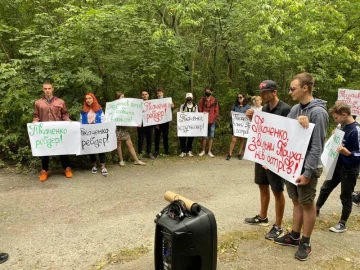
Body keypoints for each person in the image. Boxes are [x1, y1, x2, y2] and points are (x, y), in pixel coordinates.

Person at [274, 72, 329, 261]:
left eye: (292, 88)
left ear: (305, 88)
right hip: (292, 165)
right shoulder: (295, 109)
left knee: (307, 203)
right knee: (296, 201)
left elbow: (317, 147)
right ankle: (295, 236)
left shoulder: (318, 113)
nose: (289, 92)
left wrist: (307, 172)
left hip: (307, 168)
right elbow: (284, 133)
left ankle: (306, 242)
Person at [244, 80, 291, 241]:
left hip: (276, 159)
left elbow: (289, 136)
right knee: (262, 185)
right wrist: (252, 120)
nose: (262, 95)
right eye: (261, 92)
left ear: (274, 92)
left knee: (277, 190)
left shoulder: (285, 109)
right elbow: (262, 130)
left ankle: (278, 226)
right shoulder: (264, 108)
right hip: (262, 154)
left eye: (265, 92)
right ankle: (263, 217)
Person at [316, 102, 360, 232]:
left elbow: (358, 153)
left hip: (350, 168)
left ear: (344, 114)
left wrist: (348, 153)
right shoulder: (343, 126)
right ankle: (316, 208)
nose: (336, 121)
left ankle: (342, 223)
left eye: (336, 118)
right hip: (337, 165)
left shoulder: (356, 130)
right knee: (325, 188)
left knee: (345, 195)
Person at [32, 79, 73, 182]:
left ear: (53, 89)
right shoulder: (38, 103)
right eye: (45, 89)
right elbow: (36, 116)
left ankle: (67, 168)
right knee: (45, 151)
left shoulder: (60, 102)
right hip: (45, 132)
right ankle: (44, 170)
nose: (47, 90)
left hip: (58, 131)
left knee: (62, 149)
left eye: (49, 88)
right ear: (43, 89)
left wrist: (67, 120)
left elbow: (65, 114)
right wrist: (35, 121)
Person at [80, 93, 108, 176]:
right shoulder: (83, 111)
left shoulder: (99, 110)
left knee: (101, 149)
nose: (88, 100)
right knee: (91, 150)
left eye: (89, 98)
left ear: (93, 99)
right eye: (86, 99)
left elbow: (104, 121)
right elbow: (81, 122)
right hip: (88, 133)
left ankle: (103, 166)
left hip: (98, 133)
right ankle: (94, 166)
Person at [115, 92, 146, 167]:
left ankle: (136, 160)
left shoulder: (127, 106)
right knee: (119, 143)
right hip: (117, 127)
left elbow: (133, 112)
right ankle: (121, 160)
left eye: (124, 97)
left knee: (130, 144)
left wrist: (140, 112)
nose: (123, 98)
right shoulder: (114, 106)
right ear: (118, 98)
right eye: (122, 97)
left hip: (124, 127)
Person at [226, 93, 251, 160]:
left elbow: (250, 115)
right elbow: (231, 115)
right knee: (233, 139)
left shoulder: (248, 107)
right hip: (236, 126)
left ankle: (240, 153)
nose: (239, 98)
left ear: (244, 98)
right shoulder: (235, 106)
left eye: (240, 97)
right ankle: (230, 154)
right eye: (238, 97)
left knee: (242, 139)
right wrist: (230, 114)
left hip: (243, 126)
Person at [198, 87, 219, 157]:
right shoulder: (202, 100)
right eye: (206, 91)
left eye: (209, 91)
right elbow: (199, 109)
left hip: (212, 121)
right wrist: (201, 114)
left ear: (211, 92)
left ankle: (209, 151)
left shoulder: (215, 100)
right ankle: (203, 150)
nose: (207, 92)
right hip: (204, 120)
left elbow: (217, 111)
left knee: (211, 136)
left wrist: (214, 117)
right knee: (204, 136)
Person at [154, 89, 174, 157]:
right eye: (158, 93)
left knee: (165, 137)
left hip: (165, 122)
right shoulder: (154, 102)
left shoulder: (167, 101)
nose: (159, 94)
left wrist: (172, 107)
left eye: (160, 93)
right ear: (157, 95)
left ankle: (166, 151)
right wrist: (155, 123)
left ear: (163, 93)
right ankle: (156, 152)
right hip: (157, 122)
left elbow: (170, 111)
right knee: (157, 137)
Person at [179, 93, 198, 157]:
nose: (189, 100)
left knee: (191, 138)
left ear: (192, 98)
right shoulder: (183, 106)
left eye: (190, 98)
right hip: (184, 125)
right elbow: (180, 115)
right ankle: (183, 151)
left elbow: (197, 115)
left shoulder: (195, 106)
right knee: (182, 138)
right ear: (186, 99)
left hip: (192, 125)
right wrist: (183, 113)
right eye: (188, 98)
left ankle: (189, 150)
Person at [137, 90, 155, 159]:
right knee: (140, 139)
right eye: (143, 94)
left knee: (149, 139)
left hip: (150, 124)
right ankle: (140, 154)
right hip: (141, 124)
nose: (144, 95)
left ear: (148, 95)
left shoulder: (152, 103)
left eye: (146, 94)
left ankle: (149, 153)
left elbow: (155, 113)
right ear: (141, 96)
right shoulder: (138, 104)